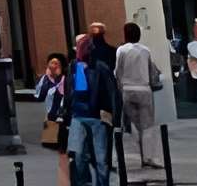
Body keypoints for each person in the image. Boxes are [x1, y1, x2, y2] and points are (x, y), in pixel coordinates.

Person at [66, 23, 119, 186]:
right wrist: (66, 113)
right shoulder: (74, 68)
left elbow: (112, 93)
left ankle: (102, 184)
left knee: (101, 157)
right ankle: (84, 182)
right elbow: (69, 91)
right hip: (78, 115)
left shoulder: (100, 67)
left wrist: (114, 117)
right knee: (79, 155)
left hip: (97, 116)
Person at [113, 22, 163, 170]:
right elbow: (151, 71)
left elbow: (117, 71)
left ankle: (142, 154)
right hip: (144, 89)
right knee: (147, 126)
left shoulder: (121, 50)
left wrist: (120, 88)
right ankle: (148, 157)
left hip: (127, 90)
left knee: (135, 125)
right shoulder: (145, 51)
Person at [35, 54, 70, 173]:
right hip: (52, 116)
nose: (53, 66)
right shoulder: (45, 79)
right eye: (51, 63)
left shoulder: (66, 78)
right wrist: (46, 81)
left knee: (64, 140)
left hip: (64, 114)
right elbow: (39, 96)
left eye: (56, 63)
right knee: (55, 142)